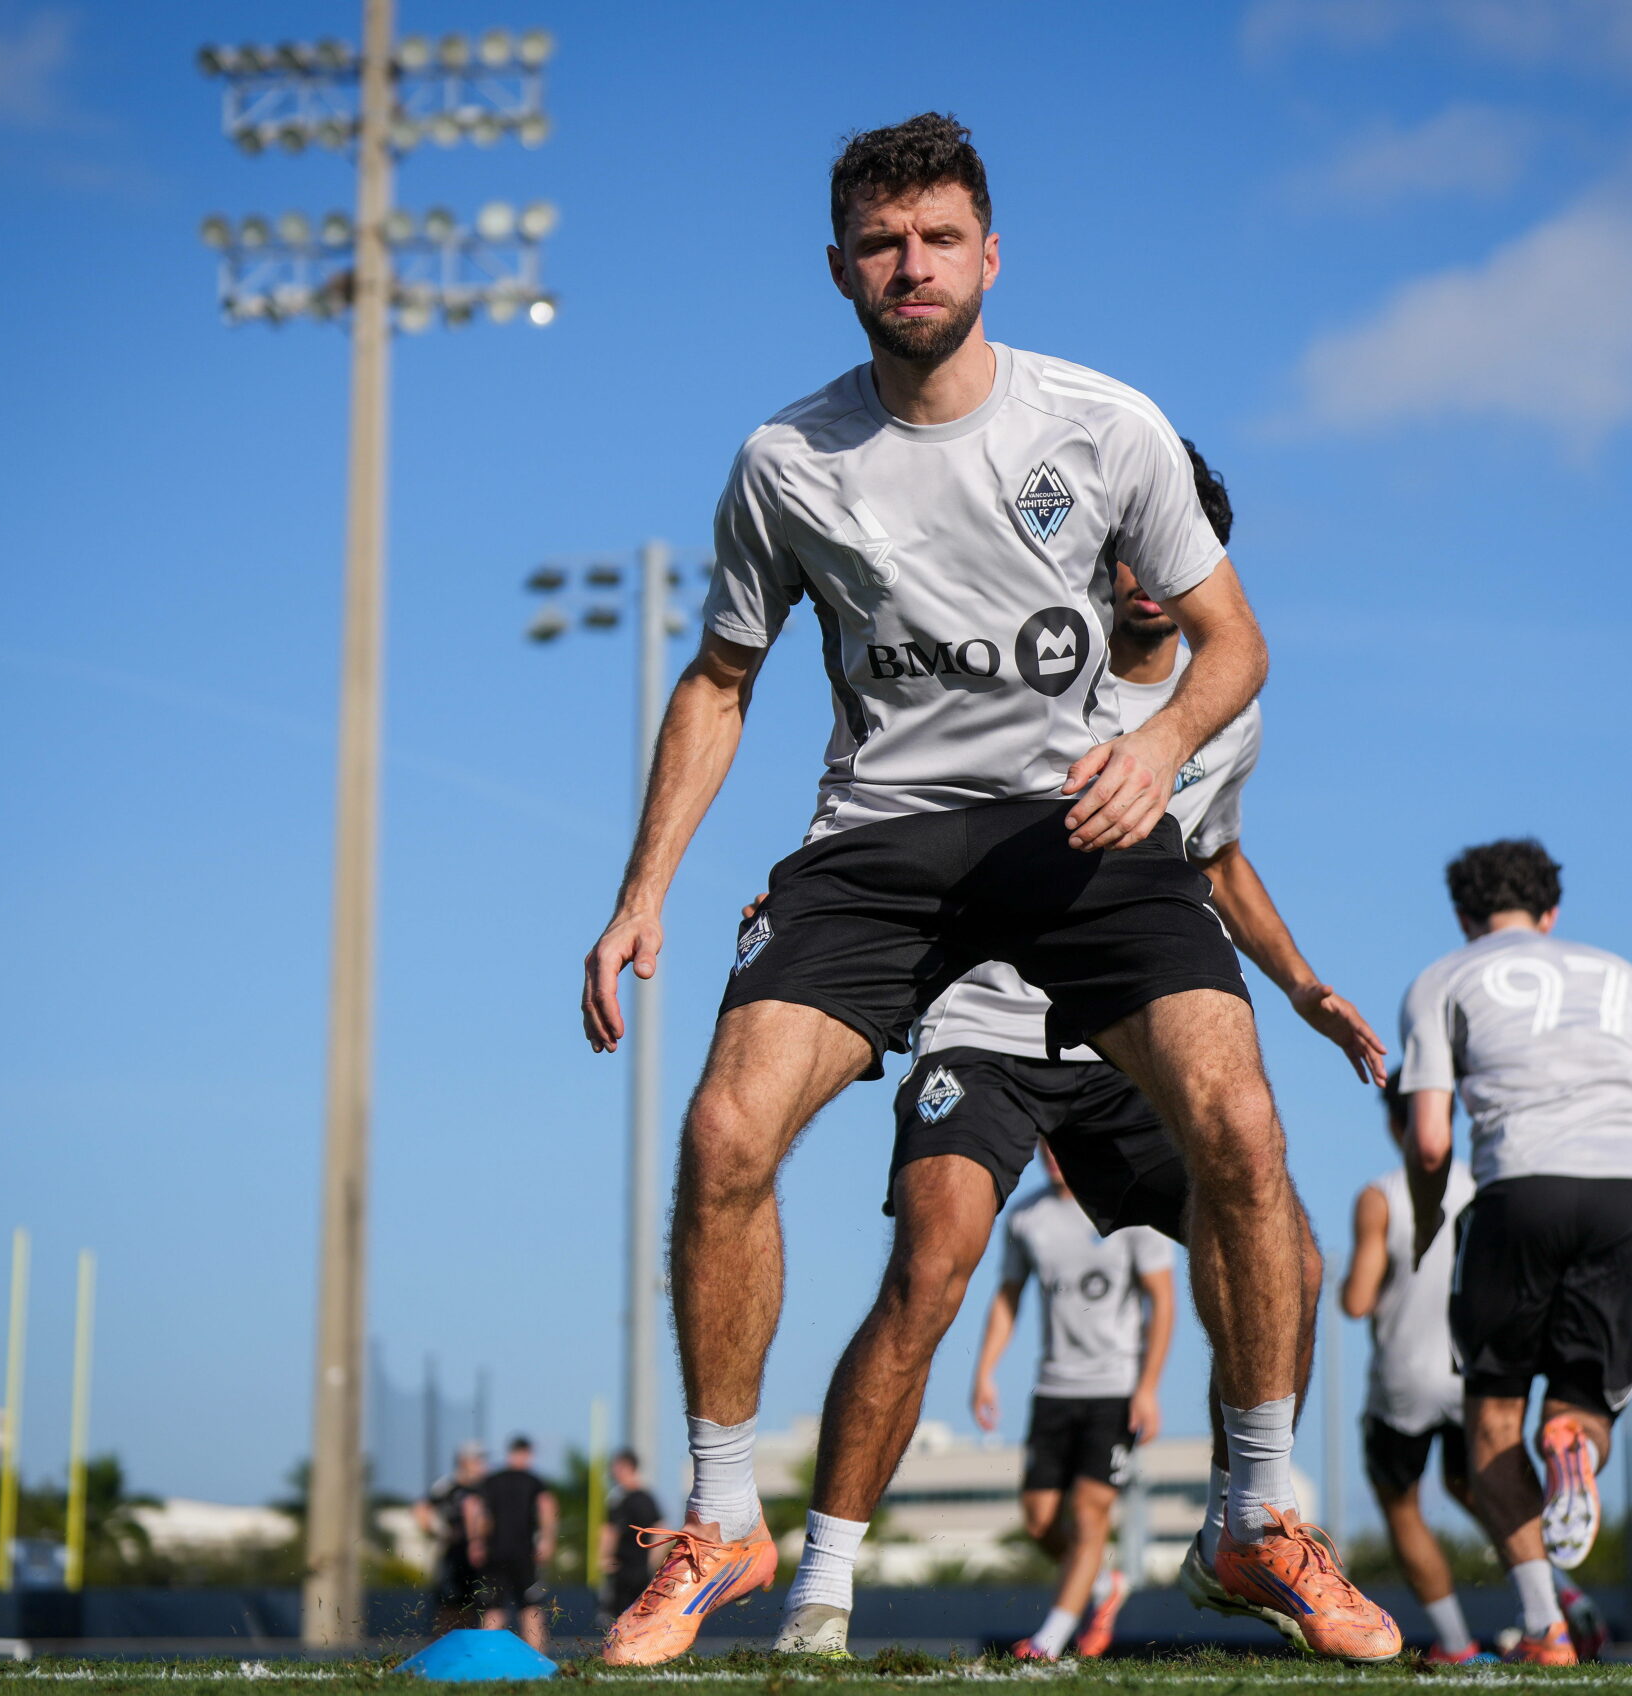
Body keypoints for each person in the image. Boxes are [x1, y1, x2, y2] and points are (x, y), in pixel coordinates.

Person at [583, 112, 1392, 1666]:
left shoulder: (1103, 425)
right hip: (877, 844)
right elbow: (720, 682)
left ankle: (1259, 1512)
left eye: (940, 238)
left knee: (1243, 1128)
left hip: (1075, 836)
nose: (913, 266)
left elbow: (1237, 646)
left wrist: (1157, 746)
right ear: (839, 268)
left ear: (990, 254)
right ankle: (728, 1523)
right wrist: (642, 894)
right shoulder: (782, 463)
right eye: (883, 244)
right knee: (722, 1133)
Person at [759, 443, 1389, 1660]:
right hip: (985, 1021)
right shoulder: (1026, 657)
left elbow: (1215, 859)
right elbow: (888, 797)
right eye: (1136, 541)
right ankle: (820, 1590)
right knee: (931, 1270)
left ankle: (1245, 1522)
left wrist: (1304, 984)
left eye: (1181, 544)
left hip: (1122, 1034)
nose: (1153, 568)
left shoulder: (1226, 704)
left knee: (1283, 1240)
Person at [1396, 838, 1632, 1665]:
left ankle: (1545, 1628)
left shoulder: (1442, 978)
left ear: (1466, 917)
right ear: (1552, 912)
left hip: (1521, 1185)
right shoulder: (1619, 973)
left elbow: (1431, 1143)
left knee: (1495, 1418)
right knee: (1580, 1403)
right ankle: (1573, 1445)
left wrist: (1432, 1223)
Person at [968, 1147, 1175, 1660]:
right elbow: (1008, 1294)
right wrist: (985, 1373)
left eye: (1068, 1142)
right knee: (1039, 1521)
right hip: (1054, 1388)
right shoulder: (1026, 1217)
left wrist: (1148, 1386)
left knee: (1089, 1511)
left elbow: (1163, 1300)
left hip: (1115, 1389)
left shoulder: (1132, 1211)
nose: (1058, 1155)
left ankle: (1051, 1639)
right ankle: (1104, 1585)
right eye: (1048, 1144)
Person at [1340, 1080, 1480, 1663]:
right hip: (1476, 1374)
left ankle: (1454, 1641)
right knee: (1489, 1493)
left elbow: (1356, 1301)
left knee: (1402, 1506)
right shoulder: (1487, 1190)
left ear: (1397, 1126)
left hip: (1405, 1377)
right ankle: (1560, 1605)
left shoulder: (1383, 1196)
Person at [476, 1435, 557, 1649]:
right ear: (527, 1453)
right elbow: (546, 1507)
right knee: (531, 1607)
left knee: (494, 1608)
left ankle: (486, 1659)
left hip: (496, 1552)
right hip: (524, 1553)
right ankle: (538, 1662)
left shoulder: (492, 1481)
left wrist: (478, 1542)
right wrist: (547, 1539)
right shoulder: (533, 1481)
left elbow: (481, 1516)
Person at [415, 1443, 490, 1633]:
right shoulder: (447, 1485)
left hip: (480, 1555)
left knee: (479, 1606)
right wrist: (441, 1532)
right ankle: (443, 1651)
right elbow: (421, 1510)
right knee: (449, 1606)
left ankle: (473, 1652)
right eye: (477, 1460)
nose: (482, 1464)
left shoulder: (486, 1487)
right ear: (464, 1461)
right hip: (453, 1553)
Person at [600, 1450, 664, 1623]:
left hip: (636, 1568)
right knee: (623, 1616)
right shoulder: (621, 1498)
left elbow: (659, 1529)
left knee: (631, 1615)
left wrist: (653, 1560)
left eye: (617, 1467)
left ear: (627, 1468)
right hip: (625, 1566)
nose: (614, 1472)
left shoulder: (637, 1499)